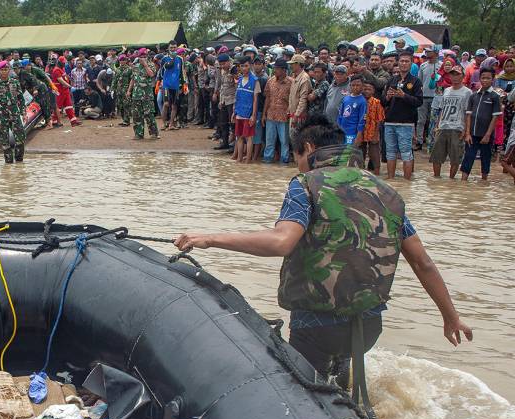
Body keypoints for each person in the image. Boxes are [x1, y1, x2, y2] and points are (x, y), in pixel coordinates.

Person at [174, 114, 472, 389]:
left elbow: (282, 242)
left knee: (307, 395)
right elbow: (423, 262)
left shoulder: (306, 184)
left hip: (316, 327)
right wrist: (451, 317)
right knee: (340, 389)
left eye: (297, 157)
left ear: (308, 148)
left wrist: (211, 238)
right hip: (369, 326)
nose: (298, 165)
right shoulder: (386, 191)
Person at [383, 51, 423, 180]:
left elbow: (418, 101)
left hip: (406, 122)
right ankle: (391, 180)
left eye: (407, 61)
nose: (404, 63)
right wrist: (387, 97)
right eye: (402, 61)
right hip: (390, 121)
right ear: (397, 63)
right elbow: (383, 102)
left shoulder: (415, 81)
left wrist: (404, 96)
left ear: (411, 63)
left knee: (406, 154)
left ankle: (407, 182)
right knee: (390, 153)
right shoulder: (392, 80)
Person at [461, 68, 502, 181]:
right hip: (472, 134)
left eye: (488, 78)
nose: (485, 80)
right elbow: (468, 115)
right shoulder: (474, 96)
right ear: (479, 78)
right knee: (468, 158)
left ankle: (484, 182)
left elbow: (495, 117)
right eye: (483, 78)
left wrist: (488, 135)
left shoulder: (494, 96)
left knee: (485, 159)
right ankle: (463, 183)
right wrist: (467, 133)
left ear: (492, 79)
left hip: (486, 136)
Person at [430, 65, 470, 179]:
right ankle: (436, 178)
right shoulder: (446, 90)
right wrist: (437, 126)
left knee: (455, 158)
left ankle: (451, 179)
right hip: (443, 126)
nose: (455, 77)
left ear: (463, 76)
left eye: (458, 74)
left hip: (458, 127)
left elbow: (468, 113)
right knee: (436, 156)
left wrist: (466, 131)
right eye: (453, 74)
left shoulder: (467, 92)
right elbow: (442, 109)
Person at [0, 62, 27, 164]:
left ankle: (19, 162)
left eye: (6, 69)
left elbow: (21, 99)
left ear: (9, 70)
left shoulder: (15, 82)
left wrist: (24, 113)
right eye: (2, 70)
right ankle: (8, 163)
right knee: (4, 141)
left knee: (20, 138)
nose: (4, 71)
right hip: (2, 115)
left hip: (14, 114)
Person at [263, 58, 292, 164]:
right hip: (271, 115)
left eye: (277, 68)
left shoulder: (291, 82)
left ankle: (284, 160)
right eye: (275, 68)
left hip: (284, 117)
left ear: (284, 70)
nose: (275, 70)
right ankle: (267, 160)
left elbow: (292, 100)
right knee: (269, 141)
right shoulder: (270, 81)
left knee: (284, 142)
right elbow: (267, 98)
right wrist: (264, 114)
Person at [232, 56, 260, 163]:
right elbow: (237, 97)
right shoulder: (239, 80)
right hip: (239, 112)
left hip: (248, 114)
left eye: (246, 66)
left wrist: (253, 115)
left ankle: (248, 160)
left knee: (249, 138)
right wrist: (234, 112)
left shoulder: (255, 81)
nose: (244, 68)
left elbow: (255, 100)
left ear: (251, 66)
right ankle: (239, 159)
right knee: (239, 136)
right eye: (242, 66)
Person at [128, 49, 158, 140]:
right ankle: (138, 134)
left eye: (144, 56)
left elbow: (151, 74)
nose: (143, 58)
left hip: (147, 95)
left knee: (149, 115)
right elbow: (133, 79)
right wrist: (129, 90)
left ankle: (154, 134)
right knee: (136, 115)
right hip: (136, 95)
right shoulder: (135, 66)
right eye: (141, 56)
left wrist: (145, 65)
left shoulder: (151, 65)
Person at [357, 81, 384, 175]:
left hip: (372, 130)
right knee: (360, 151)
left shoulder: (377, 102)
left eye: (369, 89)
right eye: (365, 89)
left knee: (374, 152)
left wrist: (376, 134)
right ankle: (361, 173)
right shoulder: (358, 101)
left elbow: (379, 119)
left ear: (373, 91)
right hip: (360, 131)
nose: (367, 91)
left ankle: (377, 173)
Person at [337, 75, 366, 144]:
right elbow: (340, 114)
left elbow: (362, 120)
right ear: (350, 86)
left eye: (358, 85)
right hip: (342, 131)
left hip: (352, 132)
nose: (355, 87)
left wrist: (359, 135)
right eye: (353, 85)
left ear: (362, 86)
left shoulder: (362, 101)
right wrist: (338, 128)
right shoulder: (346, 98)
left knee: (348, 152)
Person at [286, 55, 310, 137]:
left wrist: (296, 115)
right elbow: (292, 96)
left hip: (299, 116)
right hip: (293, 114)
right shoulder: (295, 76)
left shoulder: (304, 78)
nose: (291, 66)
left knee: (298, 141)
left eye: (293, 64)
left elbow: (303, 99)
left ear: (298, 64)